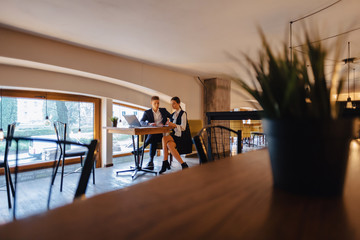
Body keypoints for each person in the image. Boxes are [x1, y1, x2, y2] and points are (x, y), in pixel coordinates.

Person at [159, 96, 192, 174]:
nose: (172, 105)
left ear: (179, 103)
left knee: (164, 139)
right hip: (175, 135)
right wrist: (167, 125)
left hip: (183, 136)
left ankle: (165, 163)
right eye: (171, 104)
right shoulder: (173, 114)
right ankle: (183, 164)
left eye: (174, 103)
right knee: (169, 144)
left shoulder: (183, 113)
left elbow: (183, 127)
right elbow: (172, 127)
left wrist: (173, 125)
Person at [138, 96, 171, 170]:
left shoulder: (163, 110)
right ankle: (150, 161)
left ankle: (142, 151)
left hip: (162, 134)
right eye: (155, 103)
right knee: (153, 138)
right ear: (151, 103)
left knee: (153, 137)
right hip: (154, 134)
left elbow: (172, 116)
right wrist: (149, 124)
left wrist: (169, 121)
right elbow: (141, 122)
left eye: (158, 103)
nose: (157, 105)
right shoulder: (147, 112)